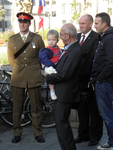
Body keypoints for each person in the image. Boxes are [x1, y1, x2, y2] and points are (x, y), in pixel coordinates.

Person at [7, 12, 45, 143]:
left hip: (34, 76)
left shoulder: (37, 39)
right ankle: (16, 133)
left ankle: (38, 133)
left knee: (36, 107)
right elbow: (11, 60)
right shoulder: (12, 39)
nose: (22, 24)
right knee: (17, 107)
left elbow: (42, 56)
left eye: (25, 22)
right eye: (20, 22)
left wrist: (34, 69)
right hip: (18, 77)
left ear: (29, 23)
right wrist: (19, 69)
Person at [44, 23, 82, 150]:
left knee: (61, 124)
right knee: (61, 124)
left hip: (65, 93)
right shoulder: (69, 48)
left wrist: (48, 77)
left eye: (61, 34)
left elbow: (64, 75)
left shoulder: (75, 51)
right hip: (62, 91)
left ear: (68, 35)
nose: (59, 36)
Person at [74, 14, 103, 146]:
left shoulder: (96, 37)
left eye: (83, 24)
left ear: (90, 24)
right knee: (82, 109)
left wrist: (93, 78)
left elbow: (95, 59)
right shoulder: (78, 37)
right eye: (79, 23)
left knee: (94, 110)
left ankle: (95, 136)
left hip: (91, 80)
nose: (80, 26)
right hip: (79, 80)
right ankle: (83, 134)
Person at [90, 12, 113, 150]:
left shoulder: (109, 38)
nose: (95, 26)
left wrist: (99, 78)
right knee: (107, 114)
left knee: (108, 114)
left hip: (105, 83)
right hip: (103, 82)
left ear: (104, 24)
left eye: (97, 23)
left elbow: (111, 62)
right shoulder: (105, 37)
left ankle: (111, 143)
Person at [39, 29, 61, 100]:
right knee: (52, 77)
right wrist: (50, 64)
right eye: (49, 40)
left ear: (57, 40)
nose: (51, 42)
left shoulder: (59, 49)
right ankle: (52, 91)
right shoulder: (47, 50)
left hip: (57, 66)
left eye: (53, 40)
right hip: (50, 66)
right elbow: (44, 58)